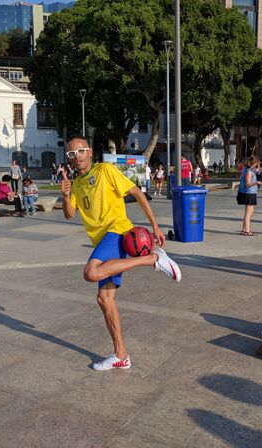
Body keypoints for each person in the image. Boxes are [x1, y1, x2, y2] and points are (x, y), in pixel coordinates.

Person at [60, 135, 181, 371]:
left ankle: (151, 259)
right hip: (102, 241)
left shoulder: (105, 170)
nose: (77, 157)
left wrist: (155, 226)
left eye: (81, 151)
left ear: (90, 152)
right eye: (72, 154)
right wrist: (65, 194)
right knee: (104, 300)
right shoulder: (75, 185)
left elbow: (136, 193)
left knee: (91, 272)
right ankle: (121, 355)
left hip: (117, 231)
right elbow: (69, 214)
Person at [237, 155, 262, 236]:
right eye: (258, 163)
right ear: (255, 163)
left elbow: (256, 172)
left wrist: (258, 171)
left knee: (251, 211)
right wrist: (257, 182)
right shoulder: (248, 171)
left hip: (250, 192)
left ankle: (244, 229)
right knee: (248, 212)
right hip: (248, 193)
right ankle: (247, 231)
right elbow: (248, 184)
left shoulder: (249, 169)